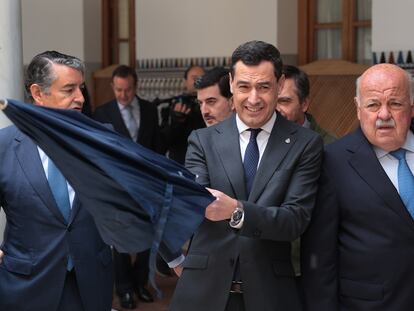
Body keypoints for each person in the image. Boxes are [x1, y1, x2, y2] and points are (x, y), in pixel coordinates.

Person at [170, 40, 323, 311]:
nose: (253, 99)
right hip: (202, 293)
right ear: (231, 83)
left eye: (264, 87)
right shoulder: (202, 141)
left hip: (270, 294)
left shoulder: (305, 143)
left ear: (280, 83)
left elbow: (295, 219)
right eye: (244, 87)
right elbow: (194, 206)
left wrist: (237, 211)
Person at [0, 51, 113, 310]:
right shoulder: (4, 146)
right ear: (38, 93)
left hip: (91, 284)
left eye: (81, 88)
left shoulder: (104, 141)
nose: (81, 98)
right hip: (26, 287)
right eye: (69, 89)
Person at [301, 63, 414, 311]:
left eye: (395, 103)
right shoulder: (333, 161)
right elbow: (320, 258)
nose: (384, 114)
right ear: (358, 109)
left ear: (411, 106)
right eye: (373, 105)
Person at [93, 65, 157, 309]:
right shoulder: (102, 113)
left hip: (146, 184)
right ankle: (124, 289)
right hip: (117, 185)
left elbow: (154, 146)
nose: (123, 95)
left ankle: (141, 283)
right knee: (119, 237)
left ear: (135, 86)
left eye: (128, 90)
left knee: (148, 234)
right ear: (112, 87)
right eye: (118, 90)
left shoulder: (150, 110)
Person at [277, 64, 336, 145]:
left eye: (284, 101)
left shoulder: (328, 145)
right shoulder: (258, 138)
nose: (276, 109)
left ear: (304, 104)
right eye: (271, 101)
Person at [164, 65, 206, 164]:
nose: (198, 81)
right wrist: (177, 121)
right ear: (185, 81)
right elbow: (164, 141)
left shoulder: (212, 104)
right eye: (194, 78)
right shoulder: (175, 104)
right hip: (180, 162)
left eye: (202, 78)